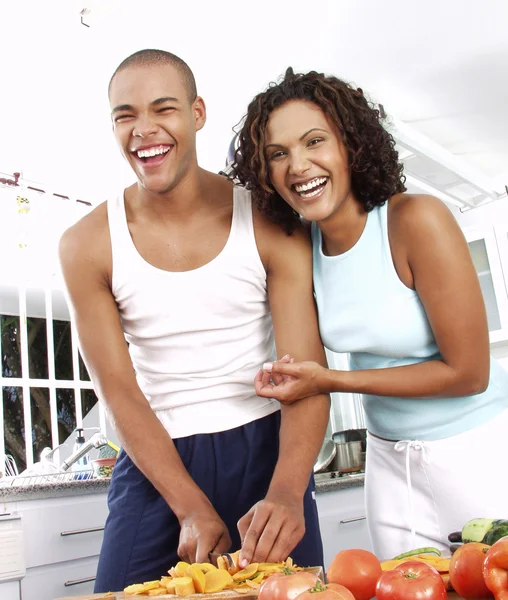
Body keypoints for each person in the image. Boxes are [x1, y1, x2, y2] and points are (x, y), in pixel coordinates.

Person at [59, 52, 330, 592]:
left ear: (197, 112)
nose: (144, 130)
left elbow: (307, 374)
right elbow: (118, 391)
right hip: (156, 462)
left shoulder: (271, 220)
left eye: (164, 108)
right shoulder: (85, 244)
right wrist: (187, 505)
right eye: (125, 116)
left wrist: (287, 490)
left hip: (267, 454)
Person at [233, 67, 508, 560]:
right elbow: (304, 372)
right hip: (388, 460)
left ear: (350, 144)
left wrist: (330, 381)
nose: (298, 166)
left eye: (314, 141)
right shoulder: (302, 250)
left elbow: (468, 373)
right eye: (278, 154)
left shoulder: (415, 220)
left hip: (476, 450)